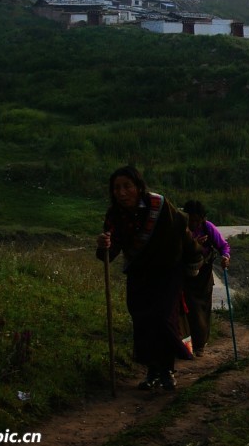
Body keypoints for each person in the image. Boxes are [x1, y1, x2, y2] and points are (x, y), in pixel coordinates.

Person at [96, 166, 204, 391]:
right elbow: (110, 250)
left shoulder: (159, 206)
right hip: (139, 274)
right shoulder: (114, 215)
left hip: (167, 273)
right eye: (116, 188)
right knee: (143, 321)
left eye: (127, 186)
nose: (121, 192)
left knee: (163, 318)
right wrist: (104, 246)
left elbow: (181, 232)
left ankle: (167, 370)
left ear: (138, 187)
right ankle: (152, 370)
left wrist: (194, 257)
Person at [182, 200, 231, 358]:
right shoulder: (181, 229)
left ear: (203, 219)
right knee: (188, 309)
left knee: (202, 309)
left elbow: (223, 246)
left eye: (197, 220)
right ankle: (187, 346)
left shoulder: (208, 228)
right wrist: (193, 244)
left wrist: (225, 257)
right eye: (191, 220)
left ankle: (200, 345)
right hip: (185, 276)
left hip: (204, 277)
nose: (194, 223)